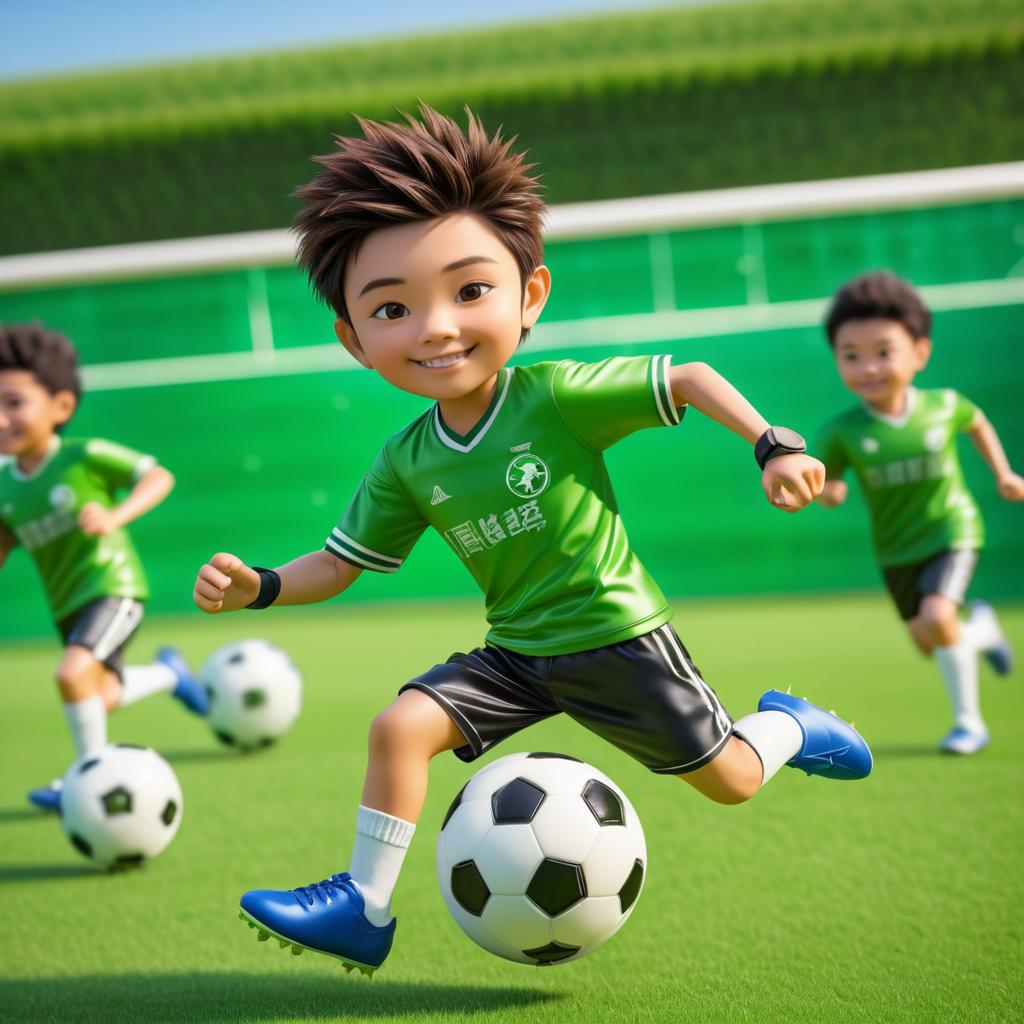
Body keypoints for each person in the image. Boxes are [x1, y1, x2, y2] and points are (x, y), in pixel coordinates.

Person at [193, 105, 871, 976]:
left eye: (470, 292)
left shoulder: (554, 398)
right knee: (399, 728)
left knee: (733, 779)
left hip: (617, 638)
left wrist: (772, 444)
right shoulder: (406, 460)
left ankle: (787, 724)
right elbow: (340, 562)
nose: (436, 327)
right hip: (517, 652)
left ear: (531, 296)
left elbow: (691, 377)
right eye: (393, 307)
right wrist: (263, 584)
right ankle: (362, 909)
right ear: (355, 339)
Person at [0, 322, 208, 811]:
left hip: (112, 587)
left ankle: (84, 780)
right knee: (99, 695)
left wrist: (114, 514)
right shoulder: (4, 485)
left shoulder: (84, 456)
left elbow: (159, 476)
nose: (0, 418)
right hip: (65, 602)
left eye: (13, 402)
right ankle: (169, 675)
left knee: (73, 674)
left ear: (61, 407)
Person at [816, 270, 1021, 755]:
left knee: (937, 613)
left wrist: (1004, 473)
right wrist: (828, 494)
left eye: (883, 352)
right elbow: (826, 480)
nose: (868, 367)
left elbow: (977, 422)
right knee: (928, 640)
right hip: (895, 549)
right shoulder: (842, 431)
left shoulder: (943, 405)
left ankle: (969, 724)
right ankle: (983, 630)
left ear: (919, 353)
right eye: (852, 356)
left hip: (951, 530)